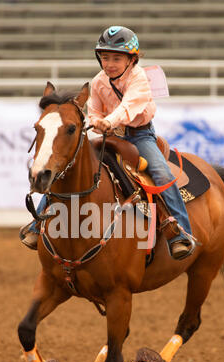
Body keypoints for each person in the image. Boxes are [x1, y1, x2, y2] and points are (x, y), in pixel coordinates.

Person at [21, 25, 194, 260]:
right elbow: (93, 111)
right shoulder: (99, 81)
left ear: (131, 60)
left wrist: (108, 121)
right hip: (110, 136)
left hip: (140, 135)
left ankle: (180, 231)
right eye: (105, 58)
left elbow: (129, 106)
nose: (109, 63)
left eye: (116, 58)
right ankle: (36, 224)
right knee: (68, 166)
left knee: (161, 173)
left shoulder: (139, 78)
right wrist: (97, 121)